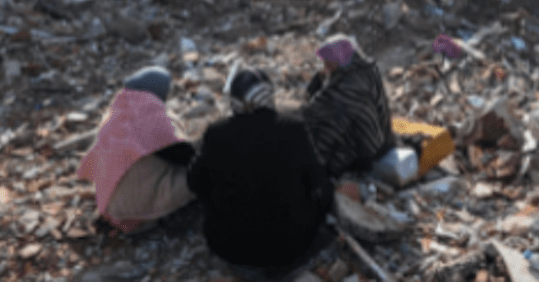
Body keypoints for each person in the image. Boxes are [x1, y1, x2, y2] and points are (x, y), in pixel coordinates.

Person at [188, 69, 333, 275]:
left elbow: (194, 182)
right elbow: (318, 182)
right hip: (292, 246)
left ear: (234, 100)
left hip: (230, 248)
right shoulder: (293, 129)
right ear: (268, 96)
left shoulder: (216, 133)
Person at [77, 66, 196, 234]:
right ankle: (159, 215)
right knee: (199, 177)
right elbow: (187, 158)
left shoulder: (115, 113)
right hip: (135, 210)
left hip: (110, 206)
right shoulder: (152, 117)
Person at [302, 36, 394, 177]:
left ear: (340, 57)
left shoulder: (354, 82)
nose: (324, 64)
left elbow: (323, 110)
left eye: (328, 60)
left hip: (368, 145)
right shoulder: (362, 67)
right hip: (382, 134)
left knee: (324, 136)